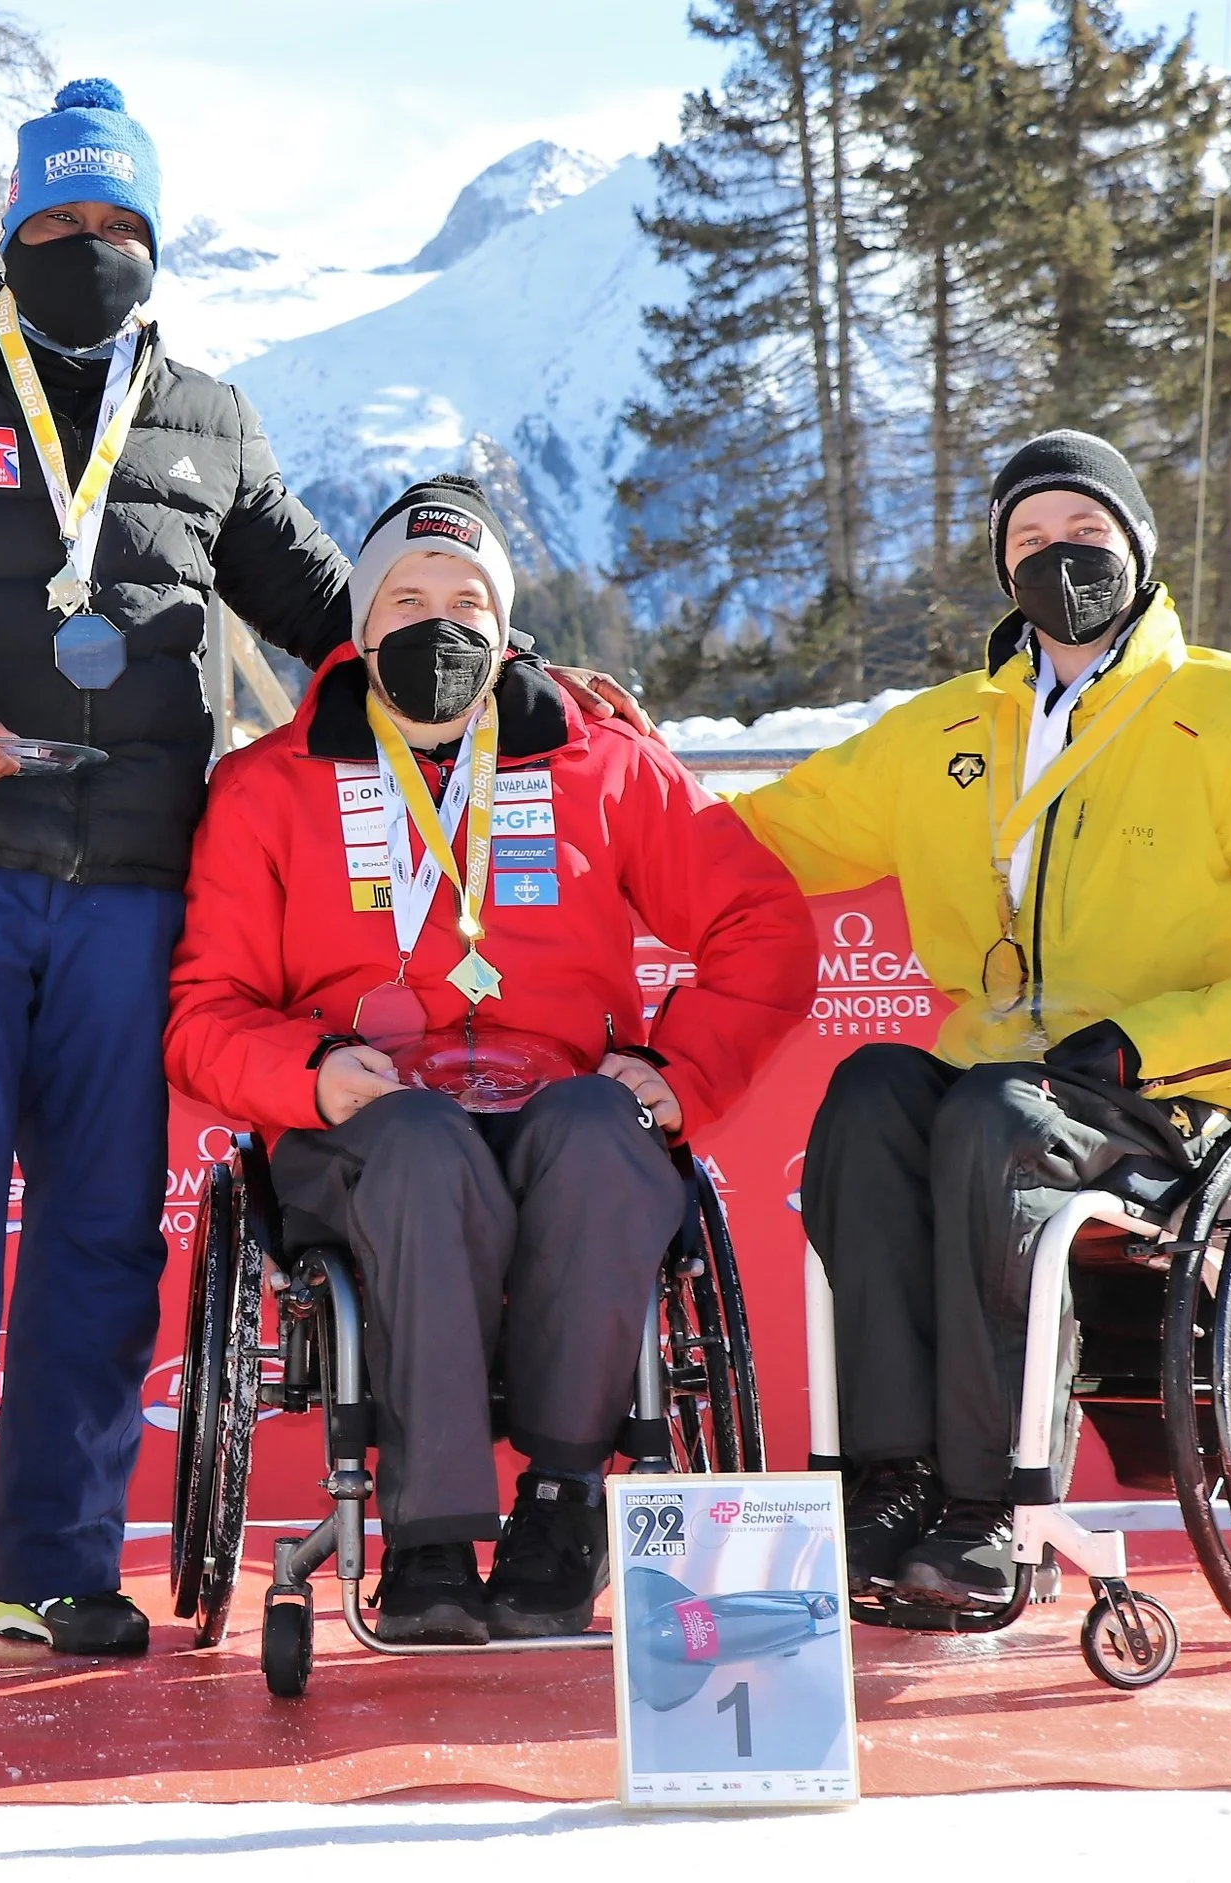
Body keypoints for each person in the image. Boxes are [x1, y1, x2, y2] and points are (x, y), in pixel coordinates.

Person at [0, 83, 645, 1687]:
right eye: (58, 224)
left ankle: (52, 1571)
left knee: (103, 1235)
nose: (87, 250)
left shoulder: (207, 418)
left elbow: (335, 612)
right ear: (14, 234)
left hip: (134, 880)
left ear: (151, 245)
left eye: (116, 228)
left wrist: (534, 686)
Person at [731, 430, 1231, 1609]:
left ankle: (991, 1500)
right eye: (1029, 540)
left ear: (1137, 545)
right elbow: (748, 840)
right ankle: (887, 1478)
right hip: (1006, 1082)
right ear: (1001, 569)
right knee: (875, 1091)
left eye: (1083, 534)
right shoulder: (941, 730)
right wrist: (591, 759)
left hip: (1177, 1093)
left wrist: (1158, 1038)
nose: (1058, 559)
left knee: (992, 1114)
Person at [164, 475, 814, 1643]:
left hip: (552, 1100)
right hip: (369, 1126)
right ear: (360, 628)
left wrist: (685, 1073)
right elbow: (204, 1012)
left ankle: (562, 1505)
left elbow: (761, 927)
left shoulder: (600, 763)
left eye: (466, 600)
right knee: (415, 1139)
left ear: (504, 626)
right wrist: (307, 1074)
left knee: (602, 1135)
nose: (437, 625)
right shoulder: (268, 786)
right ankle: (427, 1540)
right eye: (405, 599)